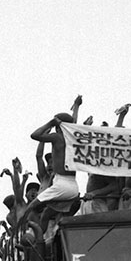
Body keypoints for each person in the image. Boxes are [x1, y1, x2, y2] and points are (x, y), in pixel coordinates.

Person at [21, 98, 83, 235]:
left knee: (30, 208)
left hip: (61, 184)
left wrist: (50, 123)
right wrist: (77, 107)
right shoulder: (74, 139)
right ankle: (44, 241)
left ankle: (29, 238)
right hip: (73, 186)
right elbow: (74, 123)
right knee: (46, 215)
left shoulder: (57, 138)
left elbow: (35, 135)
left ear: (57, 126)